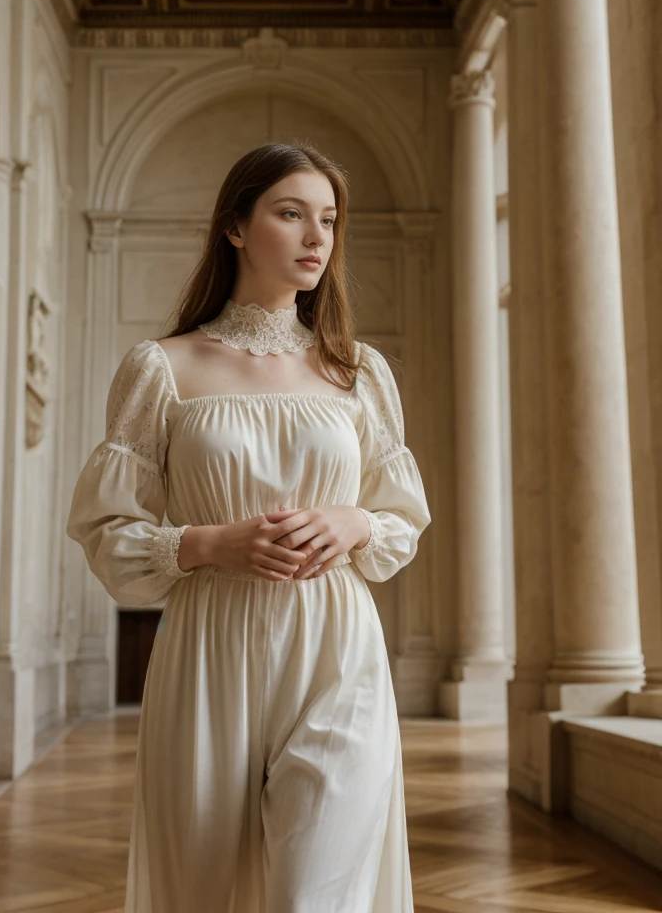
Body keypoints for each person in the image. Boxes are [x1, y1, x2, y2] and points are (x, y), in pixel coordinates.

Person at [66, 141, 432, 912]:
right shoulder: (161, 366)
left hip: (336, 645)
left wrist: (353, 521)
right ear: (235, 226)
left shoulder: (359, 371)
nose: (316, 238)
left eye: (329, 220)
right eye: (291, 213)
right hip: (209, 643)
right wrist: (207, 542)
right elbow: (106, 529)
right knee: (203, 886)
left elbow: (400, 517)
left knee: (320, 892)